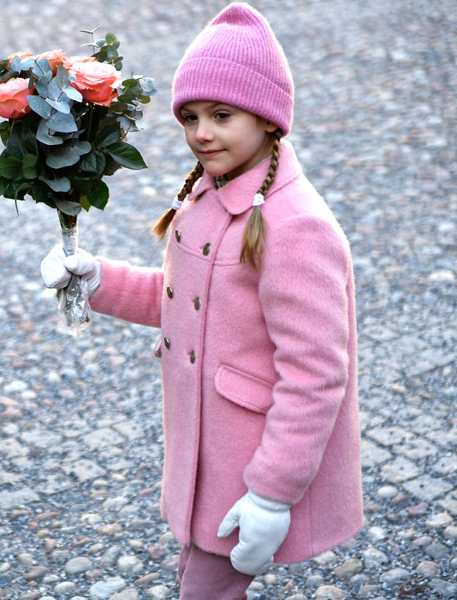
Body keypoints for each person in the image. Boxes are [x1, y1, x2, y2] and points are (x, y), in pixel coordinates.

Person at [40, 3, 362, 598]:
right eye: (189, 117)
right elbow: (185, 305)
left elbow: (316, 375)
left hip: (249, 464)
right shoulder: (208, 194)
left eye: (221, 114)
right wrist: (98, 280)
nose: (201, 133)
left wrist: (271, 492)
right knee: (199, 579)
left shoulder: (296, 228)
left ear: (268, 119)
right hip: (206, 460)